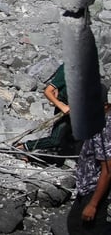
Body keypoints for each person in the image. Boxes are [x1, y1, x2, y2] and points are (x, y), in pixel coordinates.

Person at [68, 103, 111, 234]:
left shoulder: (105, 128)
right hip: (87, 187)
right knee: (74, 223)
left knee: (85, 229)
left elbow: (108, 170)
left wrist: (93, 204)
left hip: (95, 189)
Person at [17, 64, 76, 159]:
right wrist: (61, 106)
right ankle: (24, 147)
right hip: (64, 107)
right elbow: (48, 91)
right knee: (55, 139)